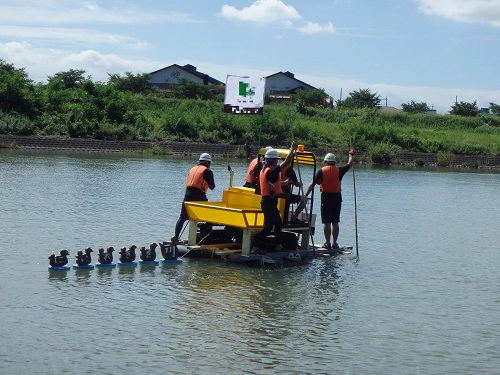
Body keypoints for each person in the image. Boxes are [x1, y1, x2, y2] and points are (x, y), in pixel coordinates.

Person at [304, 149, 354, 250]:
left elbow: (313, 184)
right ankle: (335, 243)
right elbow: (350, 164)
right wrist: (351, 154)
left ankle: (327, 243)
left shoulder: (321, 171)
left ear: (325, 162)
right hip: (337, 197)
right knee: (335, 222)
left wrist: (305, 195)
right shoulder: (339, 170)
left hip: (326, 198)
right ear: (334, 162)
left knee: (326, 222)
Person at [252, 141, 298, 252]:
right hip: (268, 202)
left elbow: (273, 184)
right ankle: (255, 245)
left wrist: (284, 183)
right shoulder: (271, 171)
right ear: (272, 160)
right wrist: (292, 149)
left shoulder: (265, 169)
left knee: (278, 223)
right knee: (268, 227)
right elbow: (287, 162)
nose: (277, 161)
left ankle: (279, 245)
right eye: (276, 160)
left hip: (270, 202)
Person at [171, 153, 215, 244]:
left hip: (187, 195)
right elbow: (212, 186)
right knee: (209, 216)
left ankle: (175, 237)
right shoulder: (208, 171)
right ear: (207, 162)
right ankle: (204, 238)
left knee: (182, 218)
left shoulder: (192, 169)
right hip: (199, 196)